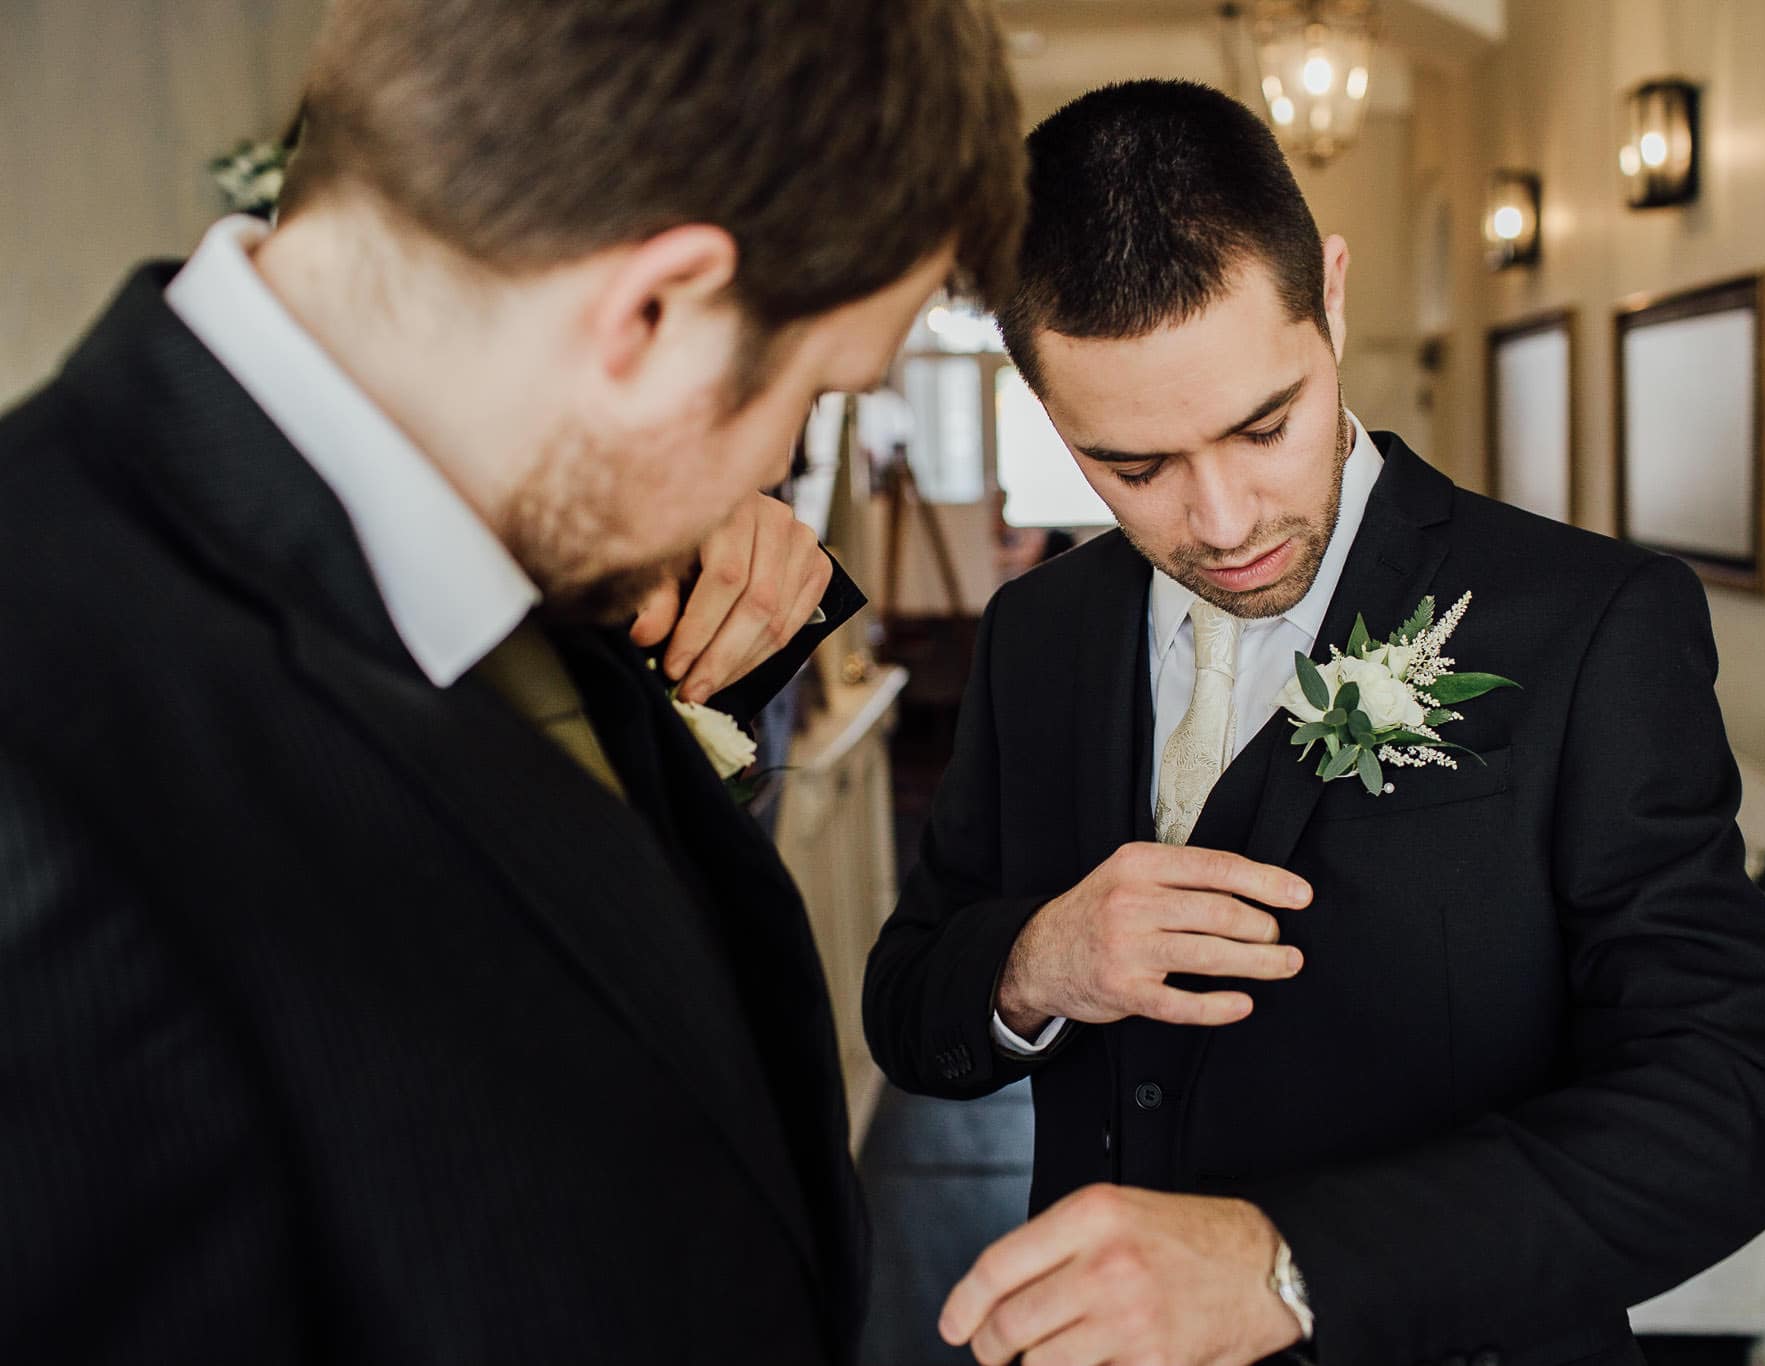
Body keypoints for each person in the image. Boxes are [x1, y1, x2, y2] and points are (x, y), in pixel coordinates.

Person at [0, 1, 1021, 1361]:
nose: (780, 467)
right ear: (651, 311)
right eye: (816, 394)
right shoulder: (43, 783)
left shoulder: (523, 549)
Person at [863, 79, 1765, 1366]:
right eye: (1130, 467)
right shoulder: (1038, 632)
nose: (1219, 519)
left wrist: (1287, 1265)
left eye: (1263, 424)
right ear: (1041, 403)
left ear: (1328, 288)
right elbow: (907, 1002)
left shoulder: (1593, 622)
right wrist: (1033, 963)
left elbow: (1730, 1103)